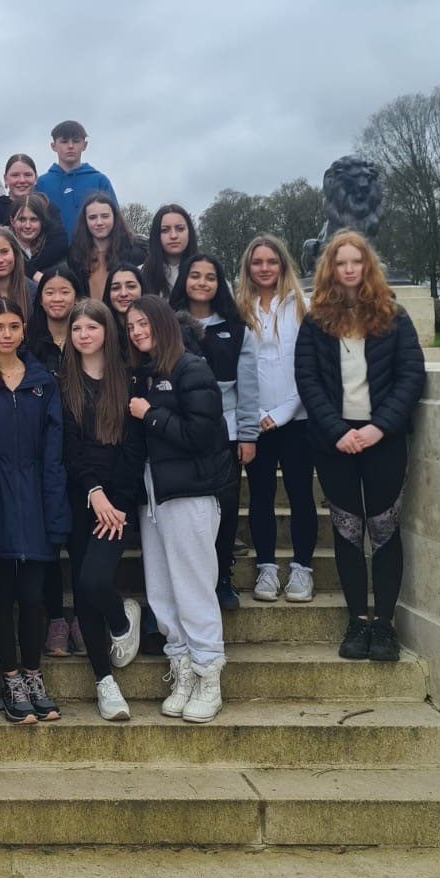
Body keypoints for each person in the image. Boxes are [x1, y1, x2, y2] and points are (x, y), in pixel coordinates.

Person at [294, 231, 425, 662]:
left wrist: (378, 428)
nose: (348, 269)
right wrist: (338, 431)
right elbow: (308, 381)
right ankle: (356, 621)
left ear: (367, 266)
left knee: (385, 531)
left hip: (382, 440)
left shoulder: (394, 316)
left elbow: (410, 376)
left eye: (356, 262)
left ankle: (383, 625)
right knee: (348, 531)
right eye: (341, 262)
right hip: (335, 442)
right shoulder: (315, 322)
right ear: (330, 268)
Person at [0, 298, 68, 724]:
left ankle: (33, 673)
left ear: (24, 330)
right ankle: (11, 679)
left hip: (38, 502)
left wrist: (56, 512)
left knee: (34, 596)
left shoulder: (44, 382)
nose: (6, 334)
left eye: (14, 326)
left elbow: (54, 452)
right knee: (3, 596)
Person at [126, 295, 232, 723]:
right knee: (161, 589)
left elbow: (203, 434)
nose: (136, 331)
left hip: (190, 495)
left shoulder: (191, 367)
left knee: (193, 587)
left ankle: (210, 674)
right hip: (154, 497)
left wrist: (150, 415)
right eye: (130, 326)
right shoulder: (146, 374)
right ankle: (182, 667)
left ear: (163, 323)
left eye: (143, 323)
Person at [58, 300, 146, 720]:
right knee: (82, 585)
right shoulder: (64, 384)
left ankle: (123, 618)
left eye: (92, 327)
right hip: (81, 495)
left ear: (107, 332)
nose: (84, 335)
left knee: (95, 580)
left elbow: (134, 449)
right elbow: (70, 448)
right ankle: (104, 682)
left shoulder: (128, 380)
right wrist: (93, 492)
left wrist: (118, 502)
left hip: (118, 499)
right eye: (77, 329)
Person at [172, 254, 260, 610]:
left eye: (210, 277)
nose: (202, 282)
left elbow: (249, 387)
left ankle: (223, 576)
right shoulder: (168, 323)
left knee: (224, 509)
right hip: (181, 430)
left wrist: (249, 435)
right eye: (195, 275)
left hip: (227, 432)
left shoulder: (238, 330)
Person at [236, 235, 319, 604]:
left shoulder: (304, 306)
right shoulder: (239, 308)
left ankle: (302, 568)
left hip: (297, 418)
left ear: (283, 265)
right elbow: (235, 368)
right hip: (256, 420)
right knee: (260, 497)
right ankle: (267, 567)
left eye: (272, 261)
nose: (265, 268)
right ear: (248, 267)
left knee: (302, 495)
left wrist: (284, 412)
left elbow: (310, 367)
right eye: (258, 262)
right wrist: (255, 414)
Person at [24, 265, 83, 657]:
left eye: (65, 291)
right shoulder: (30, 344)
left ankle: (83, 616)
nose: (57, 298)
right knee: (47, 540)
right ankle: (55, 619)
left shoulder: (88, 336)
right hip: (41, 451)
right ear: (40, 298)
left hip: (84, 453)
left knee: (80, 541)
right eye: (50, 292)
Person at [34, 120, 117, 236]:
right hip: (53, 252)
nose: (70, 146)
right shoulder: (41, 183)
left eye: (76, 141)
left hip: (92, 252)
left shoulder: (100, 181)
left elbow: (115, 221)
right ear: (53, 146)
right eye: (64, 141)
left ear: (85, 145)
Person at [68, 194, 147, 302]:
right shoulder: (76, 256)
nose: (99, 222)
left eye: (105, 216)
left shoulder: (136, 253)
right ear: (85, 221)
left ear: (114, 217)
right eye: (92, 217)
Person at [142, 204, 199, 300]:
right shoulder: (141, 274)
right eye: (165, 230)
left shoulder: (207, 273)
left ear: (189, 232)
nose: (173, 235)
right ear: (156, 235)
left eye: (180, 229)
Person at [9, 193, 68, 281]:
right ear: (12, 221)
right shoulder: (3, 244)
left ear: (42, 221)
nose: (27, 226)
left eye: (34, 219)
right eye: (22, 219)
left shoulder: (54, 252)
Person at [0, 153, 39, 229]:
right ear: (5, 179)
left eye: (28, 175)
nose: (22, 180)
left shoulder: (47, 209)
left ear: (36, 178)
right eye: (15, 175)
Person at [105, 263, 149, 361]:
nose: (123, 293)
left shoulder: (158, 330)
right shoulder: (101, 332)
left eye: (131, 286)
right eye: (116, 288)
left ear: (142, 289)